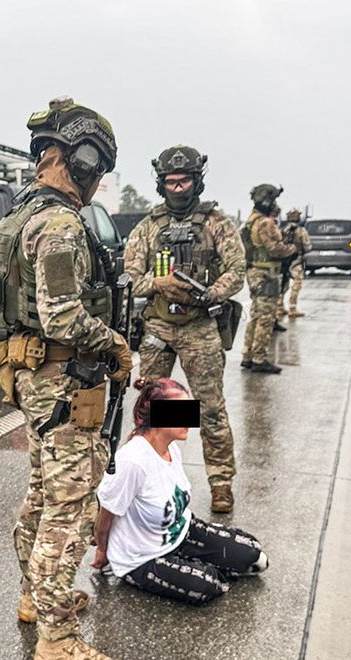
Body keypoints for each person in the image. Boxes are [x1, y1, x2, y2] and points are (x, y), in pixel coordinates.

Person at [0, 97, 133, 660]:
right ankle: (58, 640)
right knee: (70, 507)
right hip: (66, 379)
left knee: (43, 493)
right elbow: (64, 316)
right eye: (100, 169)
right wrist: (116, 346)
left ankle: (34, 598)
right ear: (85, 158)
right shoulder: (62, 223)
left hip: (30, 375)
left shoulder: (15, 219)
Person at [122, 145, 246, 513]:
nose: (178, 189)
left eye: (185, 181)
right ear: (161, 185)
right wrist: (157, 285)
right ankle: (153, 480)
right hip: (159, 327)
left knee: (208, 409)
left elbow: (237, 270)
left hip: (199, 326)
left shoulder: (216, 223)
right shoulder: (148, 227)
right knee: (154, 411)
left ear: (197, 182)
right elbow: (130, 278)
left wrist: (211, 293)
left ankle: (221, 482)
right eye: (171, 182)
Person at [93, 379, 267, 603]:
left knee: (254, 554)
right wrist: (104, 551)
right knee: (208, 586)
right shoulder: (132, 461)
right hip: (142, 557)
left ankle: (193, 559)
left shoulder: (171, 447)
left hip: (179, 532)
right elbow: (105, 516)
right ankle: (188, 567)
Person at [240, 184, 295, 374]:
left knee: (255, 315)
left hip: (256, 272)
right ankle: (259, 358)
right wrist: (292, 249)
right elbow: (274, 249)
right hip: (266, 273)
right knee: (265, 318)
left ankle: (248, 355)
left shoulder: (250, 220)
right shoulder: (265, 222)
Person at [279, 208, 313, 319]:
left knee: (283, 284)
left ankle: (279, 307)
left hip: (283, 262)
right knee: (296, 284)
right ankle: (292, 308)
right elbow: (307, 246)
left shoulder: (282, 230)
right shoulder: (301, 231)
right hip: (296, 261)